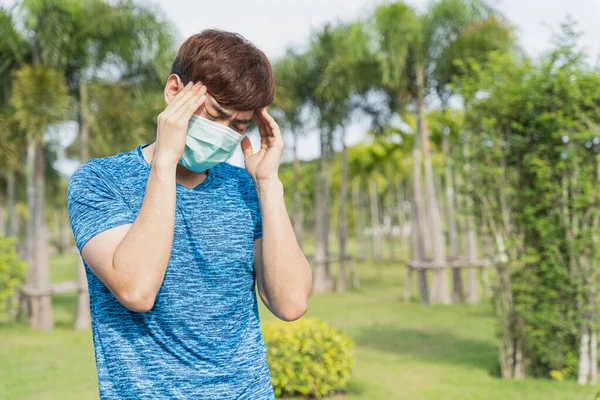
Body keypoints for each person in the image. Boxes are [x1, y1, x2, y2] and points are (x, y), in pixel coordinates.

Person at [67, 29, 312, 399]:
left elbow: (291, 303)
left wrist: (268, 185)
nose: (224, 133)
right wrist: (164, 163)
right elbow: (136, 289)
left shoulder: (246, 187)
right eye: (215, 114)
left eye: (239, 125)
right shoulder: (99, 182)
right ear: (174, 91)